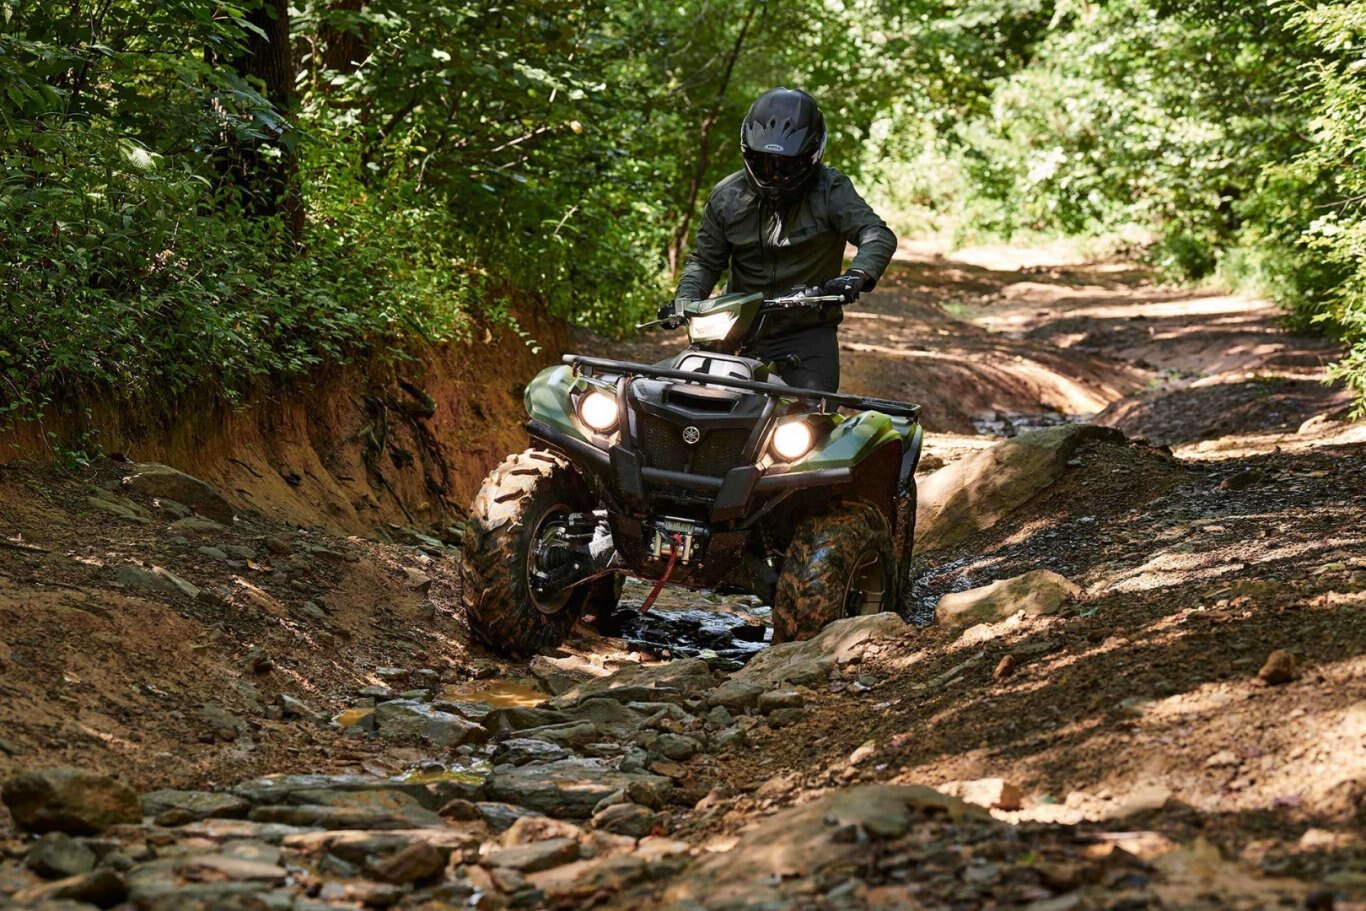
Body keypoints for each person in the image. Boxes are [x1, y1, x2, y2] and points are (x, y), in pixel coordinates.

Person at [665, 87, 897, 392]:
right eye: (764, 162)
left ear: (811, 157)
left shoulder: (831, 190)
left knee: (813, 412)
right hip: (732, 325)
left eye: (787, 165)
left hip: (806, 331)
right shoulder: (728, 196)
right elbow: (705, 262)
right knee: (691, 398)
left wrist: (857, 274)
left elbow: (877, 234)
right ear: (747, 152)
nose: (775, 174)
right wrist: (685, 301)